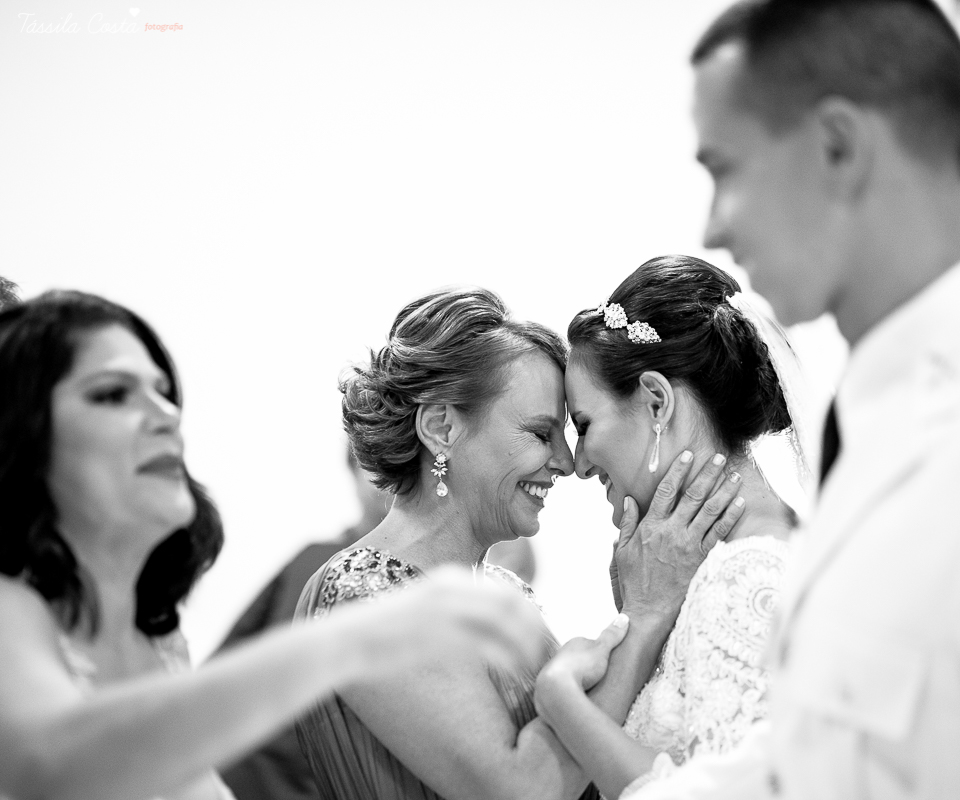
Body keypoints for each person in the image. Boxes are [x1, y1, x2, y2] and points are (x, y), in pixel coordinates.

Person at [573, 1, 960, 797]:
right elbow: (814, 767)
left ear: (837, 147)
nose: (715, 222)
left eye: (725, 170)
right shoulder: (881, 424)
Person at [0, 290, 556, 800]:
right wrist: (358, 639)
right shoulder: (10, 611)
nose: (166, 414)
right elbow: (45, 764)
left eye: (165, 392)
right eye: (111, 393)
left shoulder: (157, 641)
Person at [294, 286, 746, 800]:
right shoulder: (364, 597)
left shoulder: (505, 593)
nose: (565, 463)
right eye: (540, 433)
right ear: (442, 427)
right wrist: (644, 615)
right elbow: (524, 789)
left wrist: (633, 616)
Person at [532, 254, 799, 800]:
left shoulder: (747, 577)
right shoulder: (712, 568)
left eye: (583, 425)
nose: (578, 464)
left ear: (657, 402)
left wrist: (561, 702)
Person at [216, 446, 390, 800]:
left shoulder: (431, 590)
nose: (388, 484)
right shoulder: (320, 561)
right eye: (375, 468)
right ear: (352, 474)